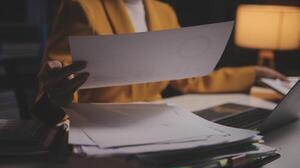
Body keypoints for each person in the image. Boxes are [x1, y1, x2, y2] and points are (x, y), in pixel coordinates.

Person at [38, 0, 287, 107]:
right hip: (100, 129)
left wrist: (252, 74)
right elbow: (58, 84)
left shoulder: (163, 11)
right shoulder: (82, 7)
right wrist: (56, 94)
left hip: (158, 122)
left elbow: (188, 78)